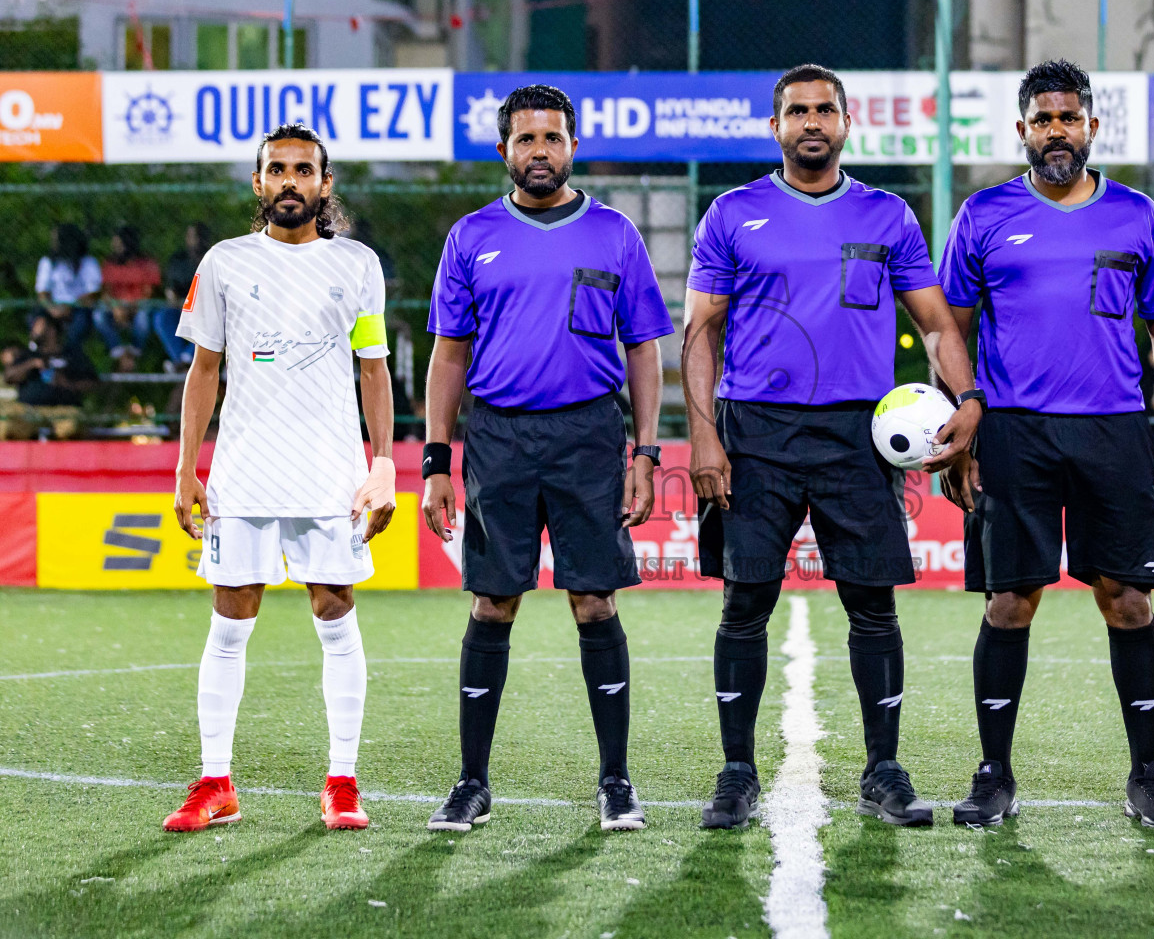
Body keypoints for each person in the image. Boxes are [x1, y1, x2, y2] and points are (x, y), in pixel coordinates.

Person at [684, 64, 982, 829]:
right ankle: (736, 773)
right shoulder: (731, 213)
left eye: (825, 110)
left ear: (846, 123)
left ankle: (883, 770)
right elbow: (700, 333)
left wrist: (968, 400)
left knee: (873, 608)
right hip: (755, 431)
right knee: (744, 602)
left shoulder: (889, 216)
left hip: (860, 435)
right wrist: (706, 438)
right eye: (796, 111)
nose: (811, 121)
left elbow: (939, 325)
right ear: (775, 127)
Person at [937, 59, 1154, 829]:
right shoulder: (982, 215)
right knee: (1010, 602)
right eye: (1044, 119)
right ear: (1022, 129)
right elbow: (947, 328)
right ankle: (994, 775)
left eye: (1070, 118)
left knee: (1128, 601)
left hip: (1115, 429)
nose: (1058, 131)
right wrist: (964, 422)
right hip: (1012, 429)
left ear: (1090, 126)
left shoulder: (1138, 216)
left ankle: (1147, 774)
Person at [420, 85, 672, 833]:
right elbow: (447, 355)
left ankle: (616, 782)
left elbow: (644, 351)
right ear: (503, 151)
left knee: (595, 600)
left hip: (590, 437)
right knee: (492, 602)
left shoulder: (615, 234)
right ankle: (472, 785)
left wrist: (647, 451)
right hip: (498, 438)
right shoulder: (470, 236)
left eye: (552, 138)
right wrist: (437, 459)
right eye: (525, 139)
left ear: (571, 146)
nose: (539, 151)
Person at [161, 123, 397, 833]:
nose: (289, 180)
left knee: (336, 616)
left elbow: (374, 371)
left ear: (326, 185)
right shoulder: (225, 263)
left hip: (330, 474)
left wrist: (382, 466)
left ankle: (343, 783)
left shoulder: (357, 265)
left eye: (303, 170)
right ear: (258, 184)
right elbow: (204, 372)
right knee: (229, 625)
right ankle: (215, 783)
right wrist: (186, 468)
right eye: (276, 169)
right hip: (243, 473)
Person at [0, 313, 96, 439]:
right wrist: (32, 364)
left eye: (38, 325)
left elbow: (93, 382)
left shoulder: (72, 355)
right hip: (29, 409)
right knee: (7, 425)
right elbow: (9, 377)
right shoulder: (28, 355)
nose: (34, 329)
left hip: (64, 408)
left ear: (52, 330)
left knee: (71, 428)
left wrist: (68, 384)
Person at [94, 223, 162, 371]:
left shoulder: (146, 263)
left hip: (137, 307)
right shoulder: (110, 263)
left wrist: (130, 308)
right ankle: (119, 351)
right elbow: (105, 292)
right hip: (116, 308)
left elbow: (148, 293)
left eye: (118, 242)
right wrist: (115, 307)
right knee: (98, 315)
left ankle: (134, 351)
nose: (114, 246)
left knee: (143, 317)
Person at [34, 223, 100, 348]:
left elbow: (93, 293)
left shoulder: (88, 262)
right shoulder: (48, 262)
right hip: (52, 308)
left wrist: (69, 307)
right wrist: (52, 309)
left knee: (76, 331)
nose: (53, 243)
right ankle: (37, 358)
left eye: (56, 239)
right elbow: (42, 293)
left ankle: (69, 358)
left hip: (78, 308)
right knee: (39, 327)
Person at [156, 222, 209, 370]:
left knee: (210, 320)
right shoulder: (178, 259)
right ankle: (179, 359)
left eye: (198, 236)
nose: (194, 240)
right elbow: (170, 289)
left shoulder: (213, 257)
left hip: (204, 309)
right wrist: (174, 298)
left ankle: (185, 359)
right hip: (180, 306)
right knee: (162, 317)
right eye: (191, 236)